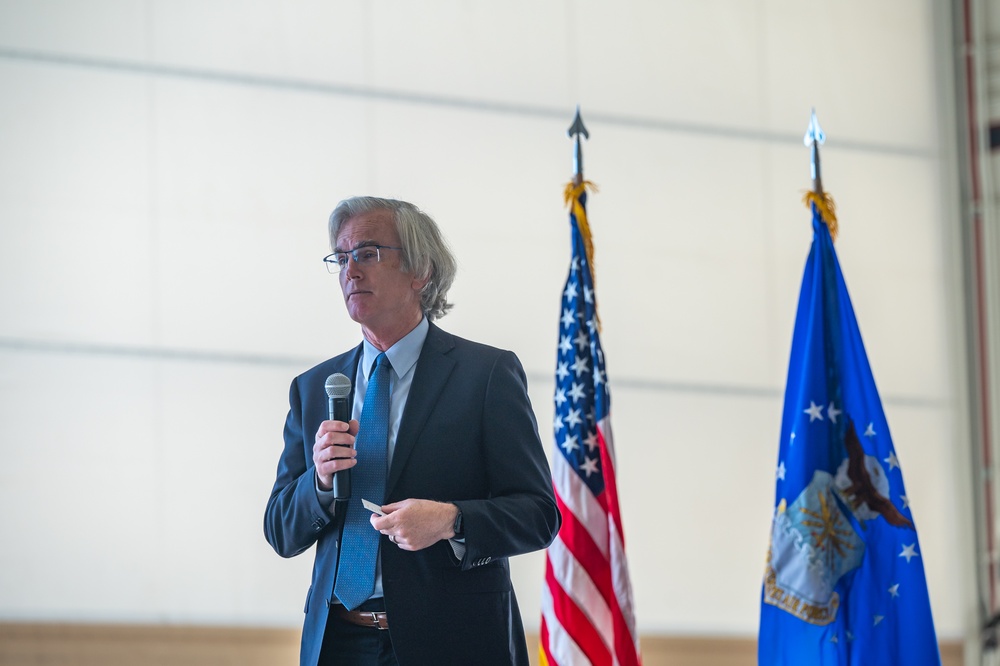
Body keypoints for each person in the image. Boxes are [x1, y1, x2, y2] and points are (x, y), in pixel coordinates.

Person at [264, 196, 560, 666]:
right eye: (341, 258)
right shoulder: (315, 388)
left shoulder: (485, 375)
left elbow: (539, 515)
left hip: (455, 641)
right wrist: (318, 482)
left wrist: (450, 520)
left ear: (419, 270)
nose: (350, 272)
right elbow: (280, 529)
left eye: (367, 253)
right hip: (338, 643)